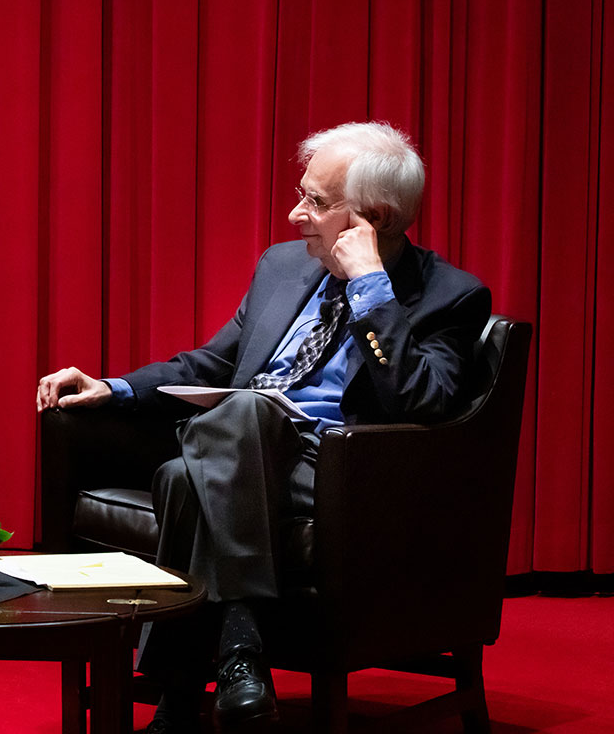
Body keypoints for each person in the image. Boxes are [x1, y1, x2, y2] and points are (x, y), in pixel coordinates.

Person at [36, 122, 491, 733]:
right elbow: (216, 363)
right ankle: (239, 652)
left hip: (342, 469)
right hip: (244, 453)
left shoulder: (450, 296)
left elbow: (425, 402)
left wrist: (370, 288)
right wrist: (113, 387)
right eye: (302, 193)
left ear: (374, 218)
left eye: (318, 203)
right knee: (209, 447)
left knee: (208, 450)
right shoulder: (282, 268)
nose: (295, 212)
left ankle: (178, 698)